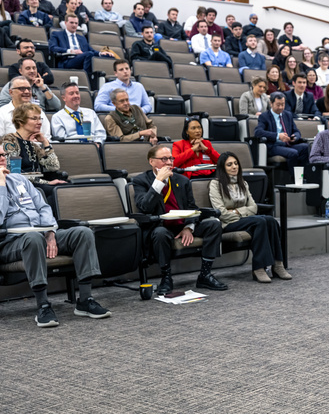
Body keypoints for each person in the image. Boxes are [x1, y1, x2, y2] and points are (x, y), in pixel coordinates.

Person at [0, 150, 111, 328]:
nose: (3, 157)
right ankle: (43, 305)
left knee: (83, 233)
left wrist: (50, 233)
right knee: (33, 239)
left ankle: (85, 299)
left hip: (41, 234)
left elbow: (43, 207)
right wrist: (1, 186)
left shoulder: (20, 180)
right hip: (11, 243)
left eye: (3, 153)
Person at [133, 145, 227, 295]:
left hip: (181, 224)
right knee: (160, 233)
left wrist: (189, 228)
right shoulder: (141, 181)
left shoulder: (182, 180)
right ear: (152, 161)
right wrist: (158, 182)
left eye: (171, 158)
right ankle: (166, 277)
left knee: (213, 224)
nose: (169, 163)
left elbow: (192, 208)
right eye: (164, 159)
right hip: (160, 226)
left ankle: (205, 274)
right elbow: (145, 207)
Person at [208, 152, 290, 283]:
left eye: (236, 164)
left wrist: (237, 211)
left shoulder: (243, 183)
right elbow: (222, 213)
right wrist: (243, 213)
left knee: (271, 221)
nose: (234, 167)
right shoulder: (215, 184)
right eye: (229, 165)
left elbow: (254, 207)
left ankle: (277, 264)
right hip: (227, 223)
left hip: (243, 220)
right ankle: (259, 268)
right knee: (259, 222)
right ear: (222, 168)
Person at [1, 103, 68, 199]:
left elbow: (53, 167)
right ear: (21, 122)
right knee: (57, 191)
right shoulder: (9, 141)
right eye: (34, 118)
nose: (39, 122)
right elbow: (13, 173)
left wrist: (45, 142)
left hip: (36, 185)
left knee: (66, 186)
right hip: (19, 187)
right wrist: (47, 183)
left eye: (40, 118)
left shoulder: (33, 144)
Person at [254, 92, 309, 167]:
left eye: (283, 104)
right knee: (293, 153)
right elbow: (258, 132)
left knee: (306, 147)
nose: (281, 107)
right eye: (278, 105)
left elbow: (296, 131)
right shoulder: (264, 116)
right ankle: (293, 177)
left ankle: (302, 174)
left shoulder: (287, 115)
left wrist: (295, 137)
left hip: (288, 144)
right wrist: (278, 136)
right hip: (274, 146)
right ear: (271, 103)